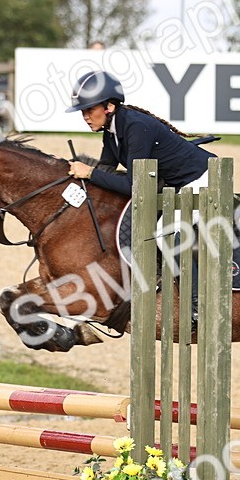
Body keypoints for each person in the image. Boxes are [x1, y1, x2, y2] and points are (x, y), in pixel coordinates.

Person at [65, 70, 216, 322]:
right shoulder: (112, 130)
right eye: (83, 111)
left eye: (89, 110)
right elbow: (106, 169)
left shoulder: (136, 126)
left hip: (203, 179)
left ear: (109, 106)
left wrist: (89, 173)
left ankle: (197, 304)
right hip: (174, 186)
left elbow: (134, 186)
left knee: (166, 233)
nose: (86, 117)